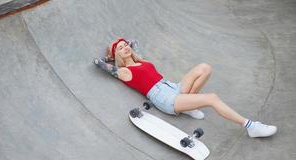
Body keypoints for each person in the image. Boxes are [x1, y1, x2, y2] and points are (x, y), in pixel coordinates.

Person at [94, 37, 277, 138]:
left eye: (126, 46)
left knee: (205, 68)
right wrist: (110, 55)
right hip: (164, 98)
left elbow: (134, 43)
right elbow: (100, 64)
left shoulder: (140, 60)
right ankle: (251, 126)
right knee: (211, 98)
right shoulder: (125, 71)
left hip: (171, 86)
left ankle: (189, 107)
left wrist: (126, 45)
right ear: (116, 56)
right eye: (121, 49)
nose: (126, 48)